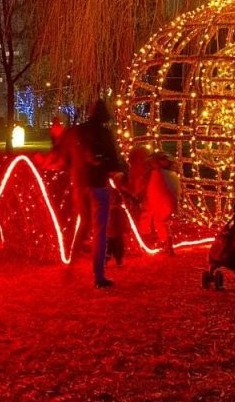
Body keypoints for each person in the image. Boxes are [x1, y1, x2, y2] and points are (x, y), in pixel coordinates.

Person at [65, 99, 124, 288]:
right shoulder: (105, 134)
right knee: (100, 231)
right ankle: (98, 276)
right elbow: (113, 161)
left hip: (81, 185)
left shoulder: (79, 131)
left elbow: (68, 155)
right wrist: (114, 170)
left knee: (83, 226)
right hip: (98, 185)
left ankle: (71, 266)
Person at [137, 152, 181, 255]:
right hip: (165, 202)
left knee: (157, 221)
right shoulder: (171, 174)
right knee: (161, 222)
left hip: (157, 200)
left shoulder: (158, 173)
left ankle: (152, 239)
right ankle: (166, 243)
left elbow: (154, 189)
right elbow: (175, 191)